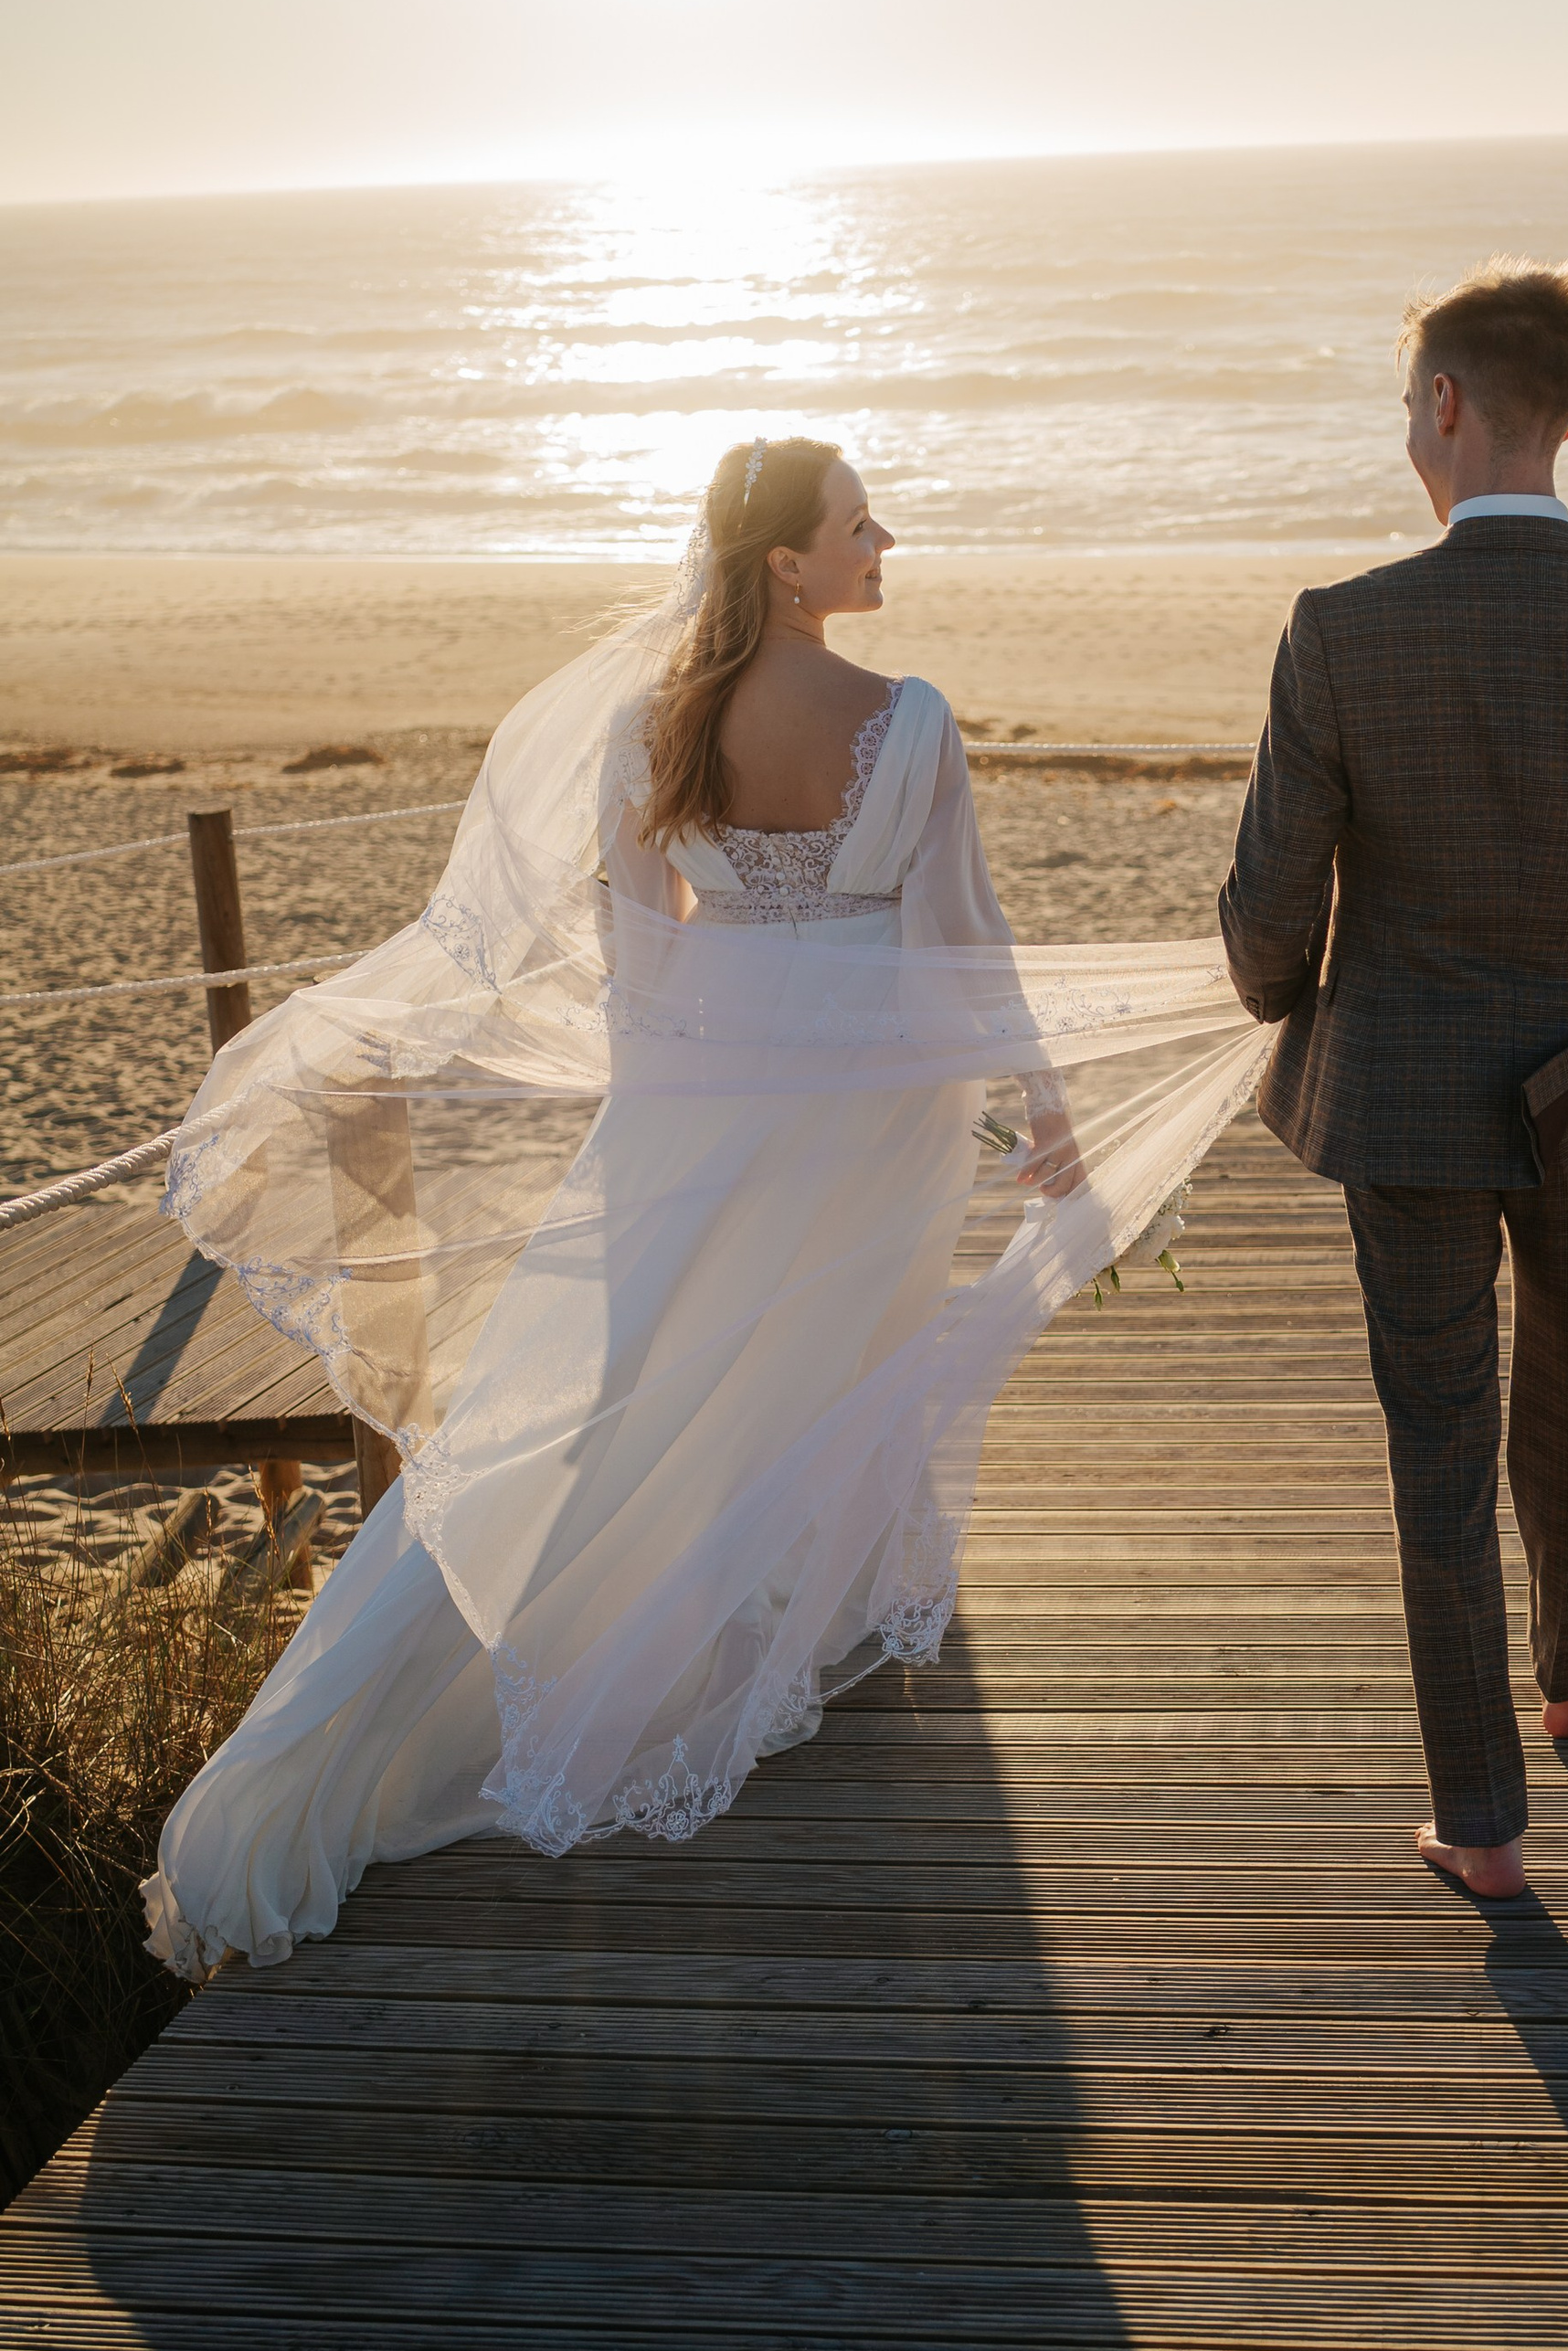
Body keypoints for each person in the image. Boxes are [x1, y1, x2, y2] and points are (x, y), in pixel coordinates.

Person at [144, 438, 1268, 1972]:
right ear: (789, 564)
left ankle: (450, 1701)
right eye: (858, 523)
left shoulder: (651, 718)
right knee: (847, 1346)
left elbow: (638, 952)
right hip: (879, 1108)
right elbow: (963, 942)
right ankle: (794, 1617)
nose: (888, 540)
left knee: (648, 1382)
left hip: (702, 1098)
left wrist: (677, 1114)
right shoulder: (911, 721)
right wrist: (1050, 1108)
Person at [1220, 261, 1568, 1900]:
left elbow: (1267, 915)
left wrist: (1290, 998)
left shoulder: (1341, 635)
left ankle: (1482, 1823)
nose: (1407, 433)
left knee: (1436, 1444)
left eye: (1405, 404)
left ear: (1445, 405)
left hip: (1401, 1099)